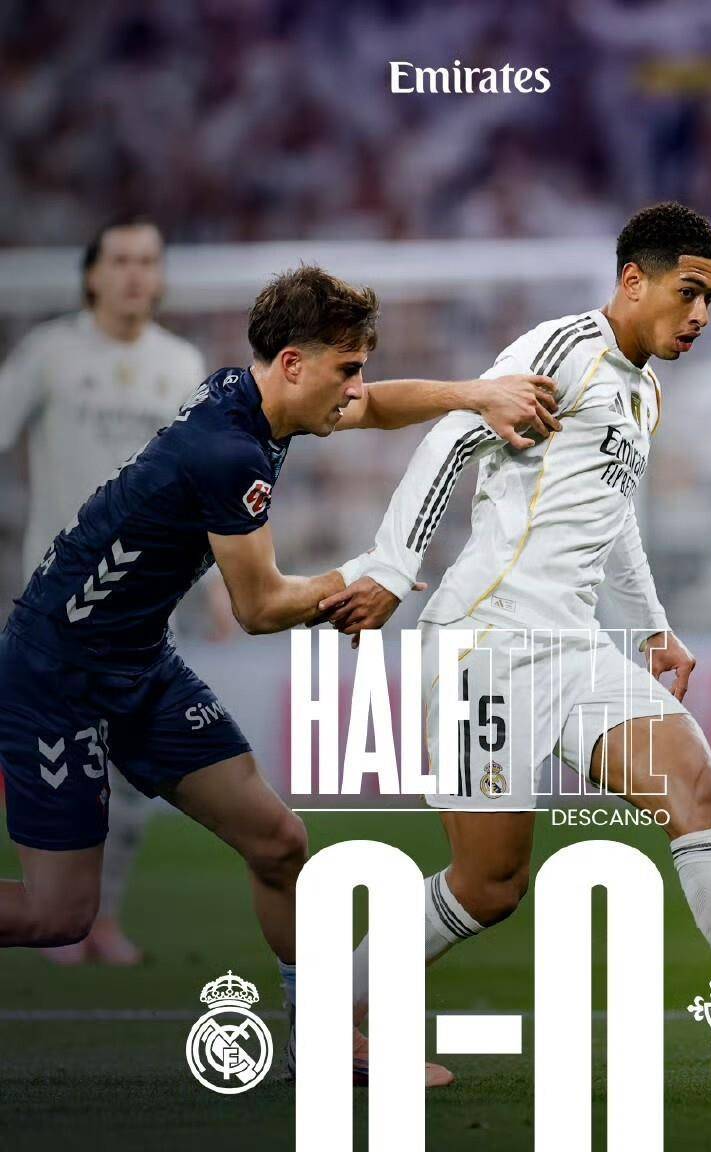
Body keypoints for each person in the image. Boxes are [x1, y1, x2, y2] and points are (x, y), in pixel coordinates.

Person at [323, 202, 711, 1084]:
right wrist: (392, 568)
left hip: (578, 646)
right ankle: (332, 1011)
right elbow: (452, 436)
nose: (702, 315)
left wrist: (651, 625)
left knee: (702, 797)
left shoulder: (644, 392)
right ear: (634, 281)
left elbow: (614, 518)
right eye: (688, 292)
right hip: (484, 644)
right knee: (489, 886)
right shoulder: (563, 348)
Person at [0, 264, 558, 1078]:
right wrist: (366, 576)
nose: (356, 388)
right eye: (347, 368)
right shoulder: (230, 451)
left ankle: (321, 1040)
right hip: (58, 673)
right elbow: (259, 609)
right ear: (294, 364)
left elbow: (375, 407)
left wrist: (476, 395)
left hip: (135, 660)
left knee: (279, 842)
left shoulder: (253, 397)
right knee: (58, 915)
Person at [0, 216, 205, 965]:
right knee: (58, 773)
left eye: (147, 260)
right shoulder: (50, 353)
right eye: (119, 260)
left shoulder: (180, 364)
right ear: (92, 274)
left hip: (147, 609)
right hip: (54, 609)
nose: (134, 274)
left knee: (132, 777)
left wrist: (217, 582)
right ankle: (57, 913)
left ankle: (102, 918)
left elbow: (200, 482)